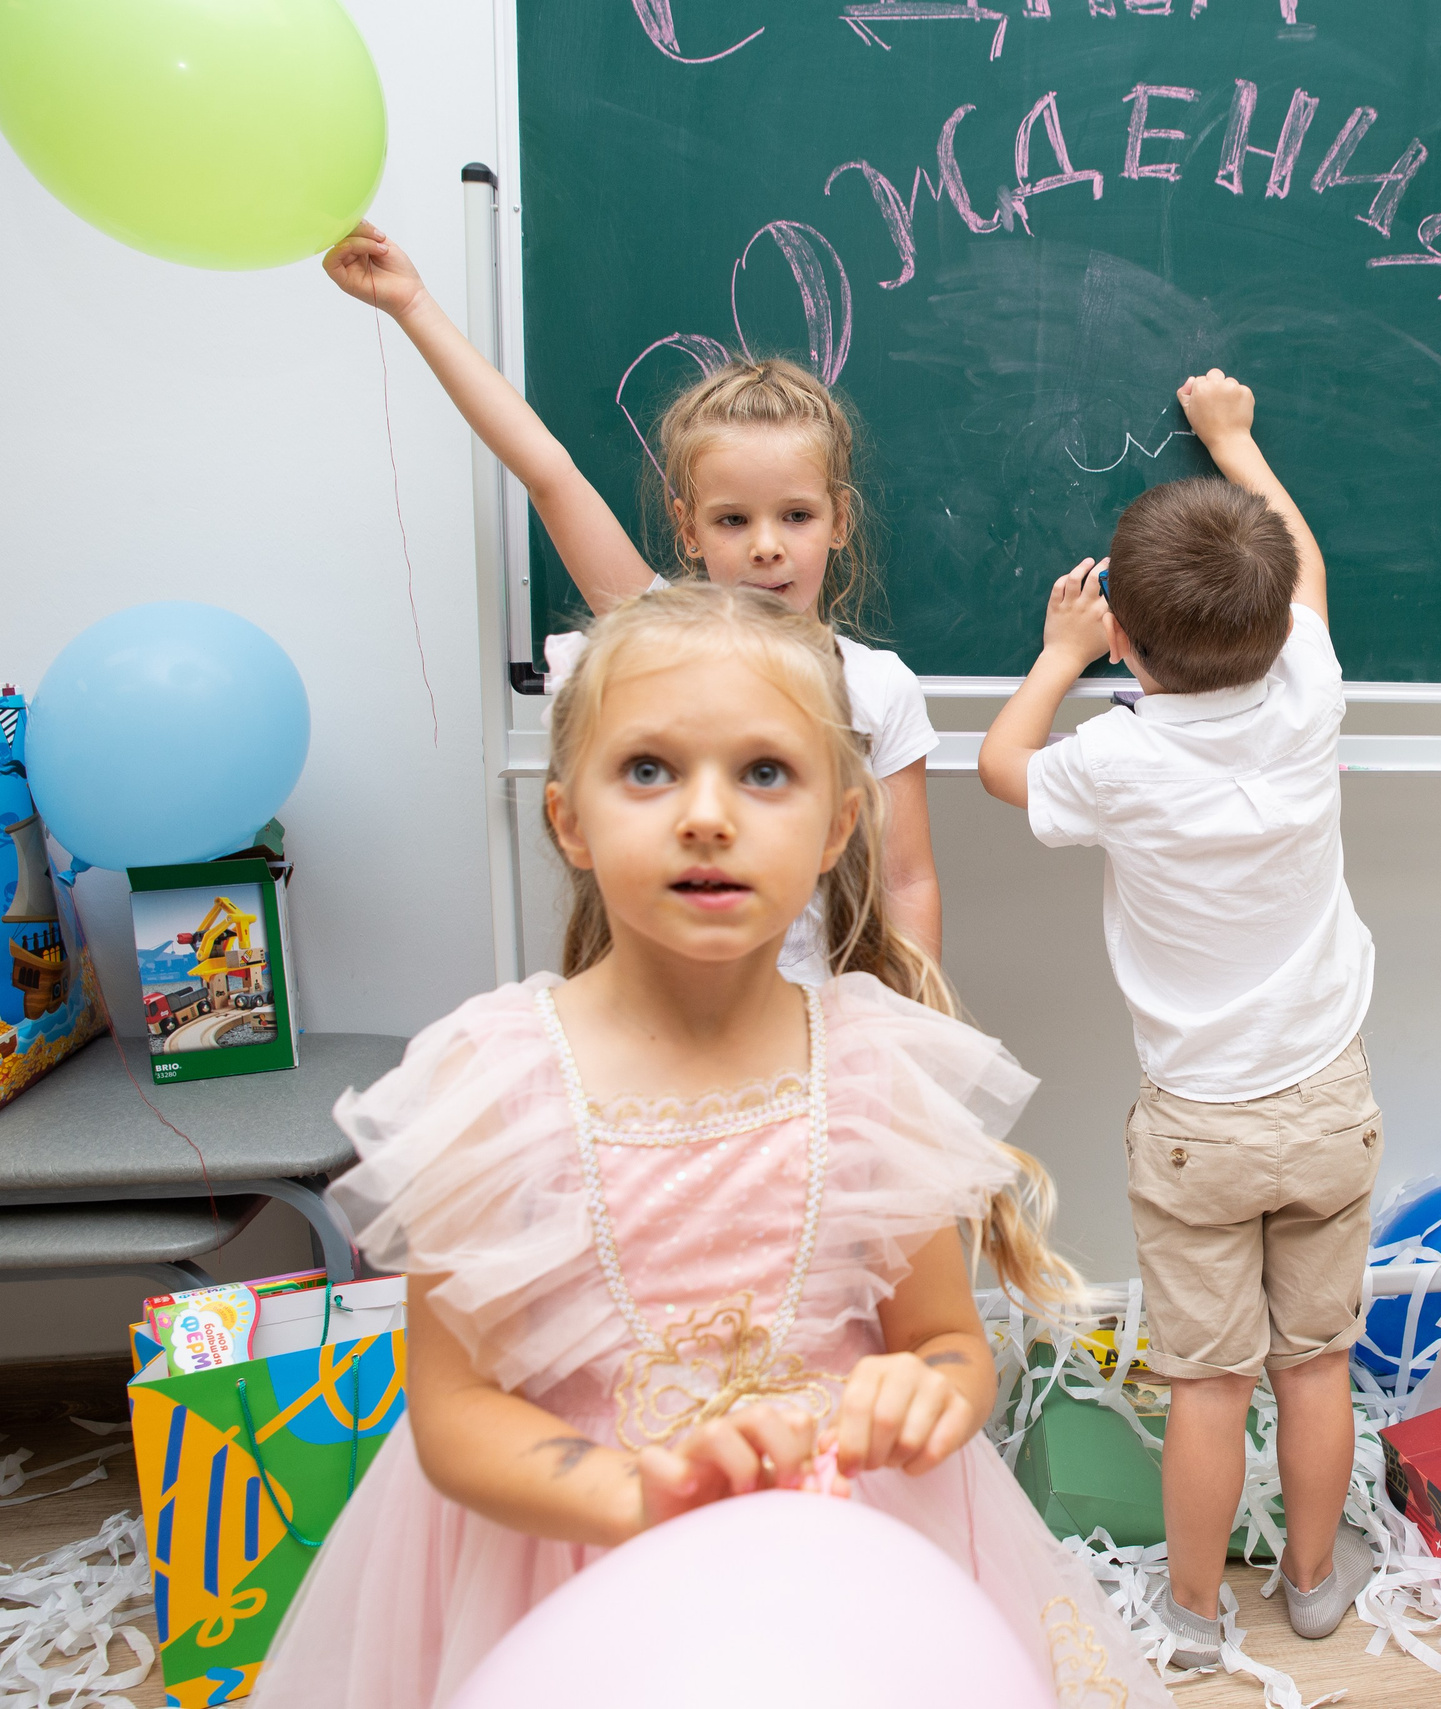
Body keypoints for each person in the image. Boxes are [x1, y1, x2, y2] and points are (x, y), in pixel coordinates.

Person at [257, 584, 1169, 1709]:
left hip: (852, 1559)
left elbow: (943, 1341)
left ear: (840, 826)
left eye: (765, 772)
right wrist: (640, 1493)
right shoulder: (490, 1081)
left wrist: (928, 1394)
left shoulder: (879, 1067)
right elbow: (452, 1415)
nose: (705, 815)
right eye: (648, 768)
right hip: (578, 1555)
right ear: (569, 820)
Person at [977, 371, 1380, 1667]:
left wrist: (1056, 656)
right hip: (1325, 1102)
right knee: (1314, 1364)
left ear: (1132, 652)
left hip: (1199, 1126)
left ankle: (1195, 1616)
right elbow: (1305, 566)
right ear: (1273, 628)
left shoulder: (1119, 759)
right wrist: (1236, 441)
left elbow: (1001, 771)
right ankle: (1315, 1587)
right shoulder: (1309, 689)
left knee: (1209, 1381)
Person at [321, 223, 940, 972]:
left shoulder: (878, 689)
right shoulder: (660, 644)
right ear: (688, 528)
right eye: (733, 519)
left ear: (839, 520)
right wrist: (413, 302)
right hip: (666, 1031)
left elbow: (905, 880)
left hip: (819, 1041)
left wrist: (911, 1031)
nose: (767, 545)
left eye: (797, 516)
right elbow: (547, 471)